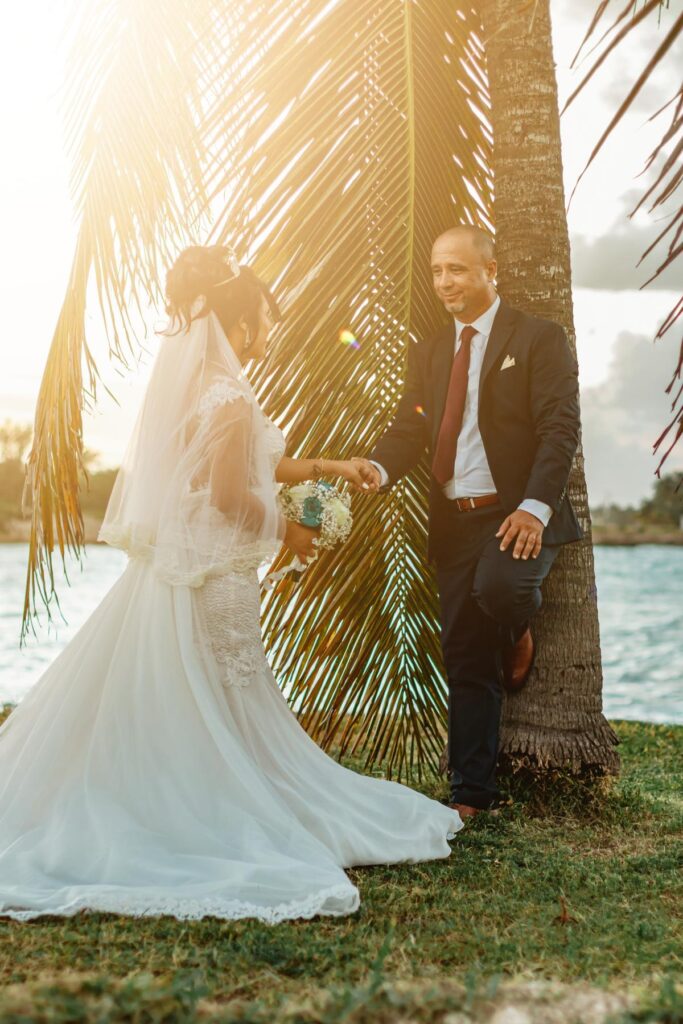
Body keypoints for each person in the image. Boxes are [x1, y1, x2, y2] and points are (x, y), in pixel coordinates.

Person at [0, 245, 463, 925]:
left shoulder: (200, 386)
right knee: (227, 694)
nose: (269, 337)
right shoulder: (229, 393)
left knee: (201, 698)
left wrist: (328, 464)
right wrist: (291, 533)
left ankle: (185, 793)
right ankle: (217, 808)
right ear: (238, 323)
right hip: (219, 572)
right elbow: (225, 495)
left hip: (187, 568)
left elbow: (249, 467)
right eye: (265, 323)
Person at [352, 226, 583, 819]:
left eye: (456, 269)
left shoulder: (537, 338)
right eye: (436, 271)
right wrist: (379, 467)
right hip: (454, 519)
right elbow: (413, 426)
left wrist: (535, 507)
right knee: (463, 655)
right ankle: (470, 796)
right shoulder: (430, 351)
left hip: (514, 514)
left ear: (490, 269)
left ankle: (516, 626)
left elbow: (559, 428)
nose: (445, 282)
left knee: (502, 589)